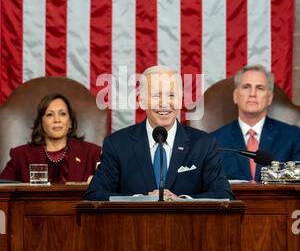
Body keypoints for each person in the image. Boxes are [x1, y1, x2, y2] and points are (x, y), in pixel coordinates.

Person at [84, 65, 234, 201]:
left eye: (171, 96)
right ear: (141, 101)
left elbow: (224, 194)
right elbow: (94, 194)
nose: (164, 103)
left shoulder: (203, 144)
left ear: (180, 100)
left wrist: (181, 200)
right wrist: (141, 200)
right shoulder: (117, 144)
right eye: (156, 96)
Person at [212, 65, 300, 181]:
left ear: (269, 98)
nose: (252, 93)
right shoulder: (214, 141)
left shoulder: (292, 136)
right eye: (246, 87)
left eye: (260, 88)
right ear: (235, 96)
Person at [0, 93, 101, 183]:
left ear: (70, 122)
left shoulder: (91, 153)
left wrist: (99, 184)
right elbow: (3, 190)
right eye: (49, 115)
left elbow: (111, 188)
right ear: (41, 123)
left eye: (62, 114)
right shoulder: (21, 156)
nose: (57, 120)